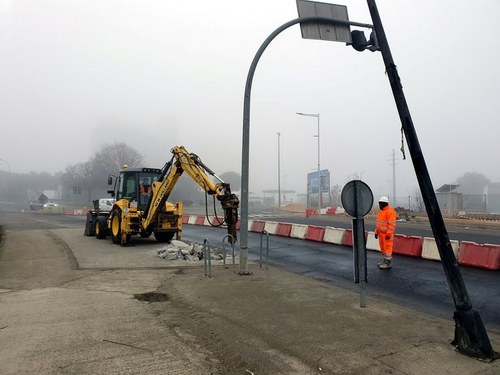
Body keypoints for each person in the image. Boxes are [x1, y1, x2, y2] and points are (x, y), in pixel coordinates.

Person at [374, 196, 397, 269]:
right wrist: (376, 232)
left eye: (380, 204)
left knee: (387, 249)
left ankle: (387, 263)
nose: (379, 205)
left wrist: (389, 234)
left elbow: (392, 225)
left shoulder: (390, 211)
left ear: (384, 204)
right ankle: (384, 261)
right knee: (383, 248)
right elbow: (379, 224)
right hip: (381, 234)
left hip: (387, 235)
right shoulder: (381, 212)